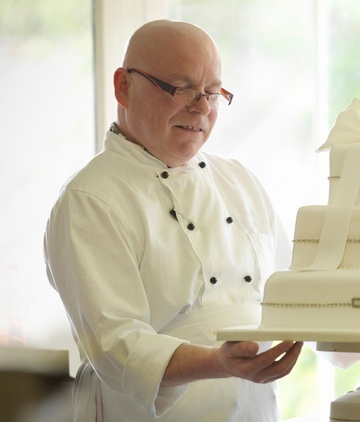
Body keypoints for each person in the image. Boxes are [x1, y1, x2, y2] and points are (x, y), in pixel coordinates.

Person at [44, 20, 303, 421]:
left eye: (213, 93)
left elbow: (297, 289)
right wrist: (219, 362)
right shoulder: (90, 200)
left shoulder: (239, 180)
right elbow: (117, 346)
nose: (201, 107)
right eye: (181, 88)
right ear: (123, 87)